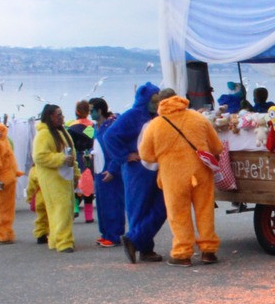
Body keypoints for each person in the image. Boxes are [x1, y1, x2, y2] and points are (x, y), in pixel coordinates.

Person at [139, 88, 225, 266]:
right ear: (178, 99)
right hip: (201, 172)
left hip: (173, 175)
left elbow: (146, 155)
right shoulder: (198, 118)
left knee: (178, 214)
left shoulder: (155, 125)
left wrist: (164, 155)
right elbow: (217, 147)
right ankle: (208, 251)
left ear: (159, 103)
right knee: (204, 211)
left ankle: (182, 253)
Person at [100, 83, 166, 264]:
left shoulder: (156, 115)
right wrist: (124, 156)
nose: (157, 101)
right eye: (154, 98)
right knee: (138, 209)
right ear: (145, 99)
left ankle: (135, 241)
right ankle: (145, 249)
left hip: (155, 167)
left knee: (162, 206)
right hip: (137, 170)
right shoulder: (132, 115)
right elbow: (109, 136)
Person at [32, 104, 79, 253]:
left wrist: (76, 173)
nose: (62, 117)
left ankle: (55, 239)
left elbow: (72, 155)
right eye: (59, 115)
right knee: (61, 210)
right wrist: (60, 159)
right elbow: (39, 156)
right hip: (53, 180)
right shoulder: (44, 135)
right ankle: (64, 242)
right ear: (50, 117)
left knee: (66, 210)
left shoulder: (63, 133)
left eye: (62, 114)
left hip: (66, 178)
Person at [89, 97, 123, 248]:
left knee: (113, 203)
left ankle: (114, 235)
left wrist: (113, 170)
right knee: (102, 203)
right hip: (98, 169)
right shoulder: (96, 127)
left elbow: (117, 150)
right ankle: (105, 233)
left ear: (99, 110)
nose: (89, 113)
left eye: (91, 111)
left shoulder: (111, 127)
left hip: (109, 171)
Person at [67, 100, 95, 223]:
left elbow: (70, 145)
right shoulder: (91, 126)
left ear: (76, 111)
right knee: (88, 183)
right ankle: (89, 216)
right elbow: (91, 141)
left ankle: (75, 206)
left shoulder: (72, 127)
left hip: (77, 156)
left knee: (77, 182)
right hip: (89, 156)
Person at [25, 165, 48, 244]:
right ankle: (53, 234)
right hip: (51, 196)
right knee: (52, 217)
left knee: (41, 217)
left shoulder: (34, 170)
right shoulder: (51, 168)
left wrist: (29, 198)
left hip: (40, 197)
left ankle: (41, 234)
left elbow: (30, 187)